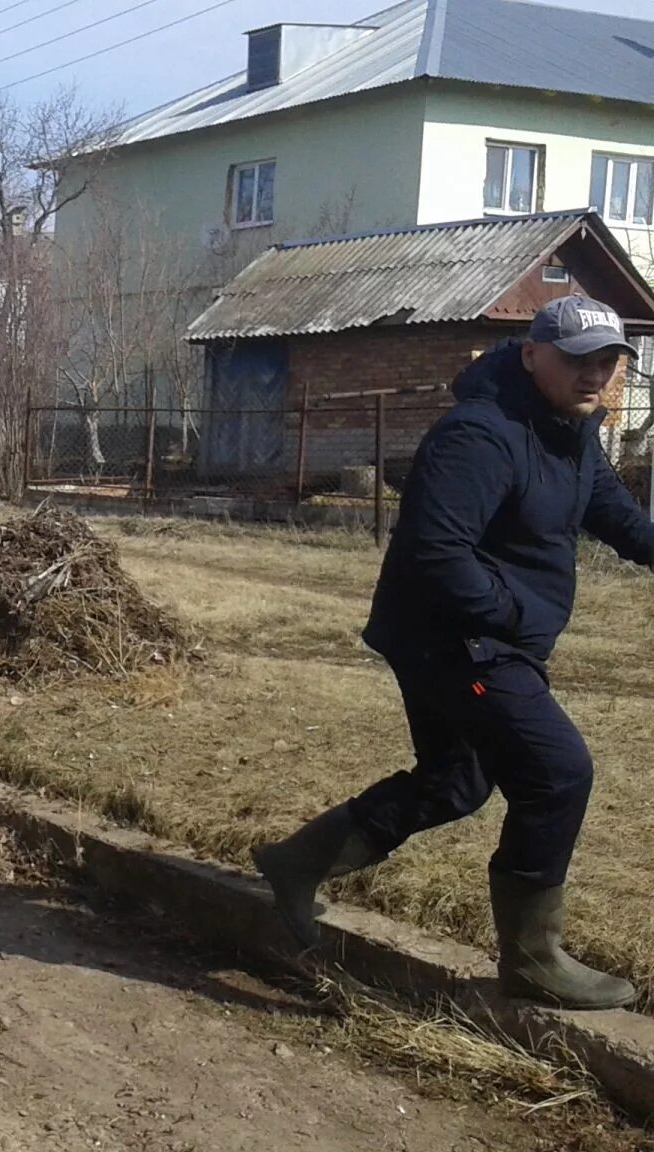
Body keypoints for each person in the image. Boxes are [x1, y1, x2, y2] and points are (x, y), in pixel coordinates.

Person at [254, 296, 654, 1010]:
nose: (594, 373)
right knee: (557, 772)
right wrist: (510, 615)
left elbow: (618, 519)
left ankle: (295, 863)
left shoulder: (572, 433)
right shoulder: (481, 435)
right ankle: (533, 960)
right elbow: (436, 552)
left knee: (455, 783)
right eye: (577, 358)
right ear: (532, 354)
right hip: (458, 642)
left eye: (607, 360)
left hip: (481, 640)